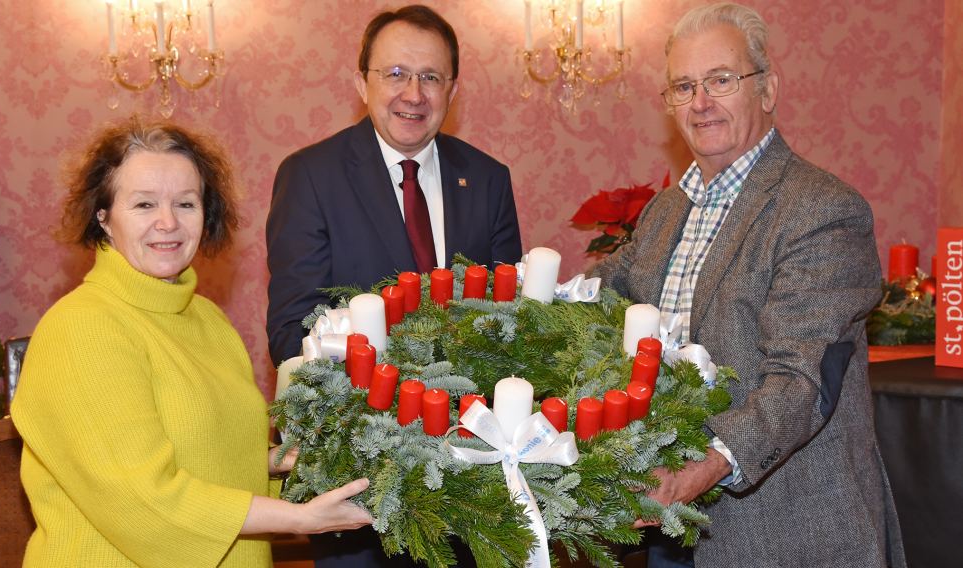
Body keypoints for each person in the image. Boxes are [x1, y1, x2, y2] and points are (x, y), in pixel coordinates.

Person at [593, 3, 906, 567]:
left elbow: (801, 382)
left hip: (787, 530)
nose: (701, 101)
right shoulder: (667, 209)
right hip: (671, 523)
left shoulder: (822, 210)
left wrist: (704, 467)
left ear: (768, 90)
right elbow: (602, 297)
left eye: (721, 79)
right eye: (684, 86)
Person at [11, 117, 372, 567]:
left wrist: (272, 461)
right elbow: (142, 500)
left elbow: (202, 455)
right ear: (103, 219)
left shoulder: (207, 319)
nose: (168, 222)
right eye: (144, 205)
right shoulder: (81, 330)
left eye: (186, 203)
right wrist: (299, 519)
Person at [266, 4, 522, 368]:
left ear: (452, 93)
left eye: (431, 77)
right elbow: (293, 332)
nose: (414, 95)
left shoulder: (488, 179)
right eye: (396, 74)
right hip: (357, 413)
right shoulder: (310, 177)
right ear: (362, 85)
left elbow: (510, 320)